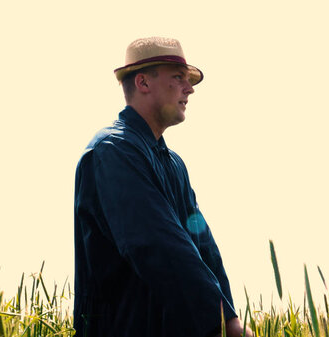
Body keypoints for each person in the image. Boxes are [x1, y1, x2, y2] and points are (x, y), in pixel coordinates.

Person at [73, 37, 253, 337]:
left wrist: (228, 318)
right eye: (178, 78)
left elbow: (203, 248)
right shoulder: (114, 151)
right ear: (143, 82)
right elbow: (156, 244)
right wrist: (220, 323)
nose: (190, 88)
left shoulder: (173, 164)